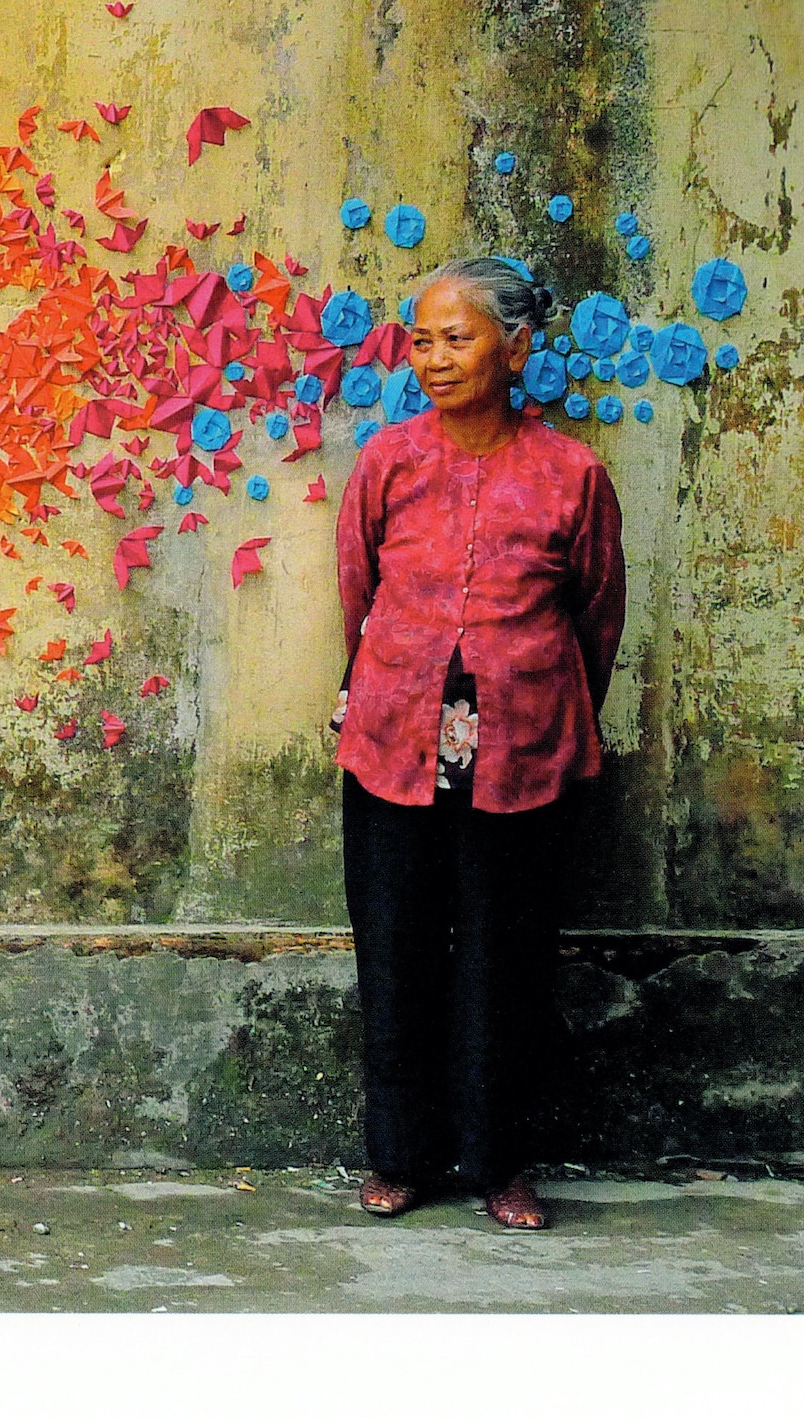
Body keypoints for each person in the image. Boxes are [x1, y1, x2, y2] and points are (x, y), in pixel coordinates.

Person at [330, 257, 626, 1230]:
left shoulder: (571, 474)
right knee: (396, 950)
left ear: (515, 347)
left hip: (521, 745)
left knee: (503, 959)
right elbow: (356, 595)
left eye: (455, 338)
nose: (434, 357)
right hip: (394, 734)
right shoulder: (387, 461)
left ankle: (498, 1165)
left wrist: (541, 697)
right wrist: (380, 683)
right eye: (420, 339)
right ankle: (400, 1159)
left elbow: (595, 614)